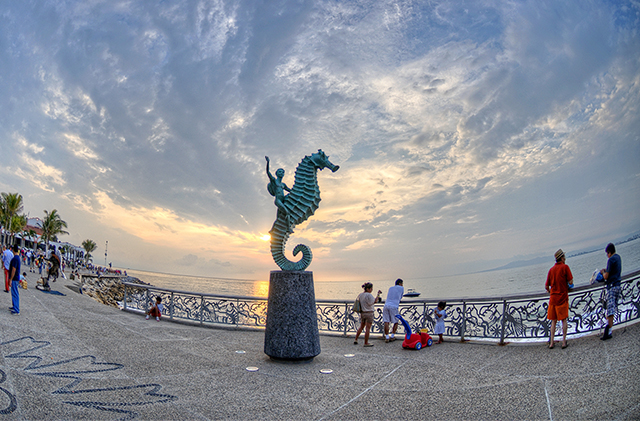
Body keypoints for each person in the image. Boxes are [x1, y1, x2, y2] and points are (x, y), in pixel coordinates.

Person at [545, 249, 574, 349]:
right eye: (564, 257)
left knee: (553, 322)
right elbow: (570, 282)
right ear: (562, 258)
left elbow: (546, 286)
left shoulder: (551, 270)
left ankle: (552, 343)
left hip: (553, 299)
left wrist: (550, 291)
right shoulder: (565, 267)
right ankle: (563, 342)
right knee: (563, 321)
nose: (565, 259)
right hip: (562, 298)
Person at [600, 243, 622, 340]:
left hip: (612, 287)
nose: (607, 255)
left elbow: (606, 276)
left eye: (607, 253)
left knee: (610, 310)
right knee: (612, 308)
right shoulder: (618, 257)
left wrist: (603, 272)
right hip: (618, 285)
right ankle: (609, 330)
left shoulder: (611, 260)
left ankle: (608, 331)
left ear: (609, 252)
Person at [265, 156, 292, 229]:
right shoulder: (274, 181)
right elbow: (268, 172)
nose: (281, 173)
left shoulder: (283, 184)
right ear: (276, 173)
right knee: (287, 212)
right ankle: (288, 228)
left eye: (283, 172)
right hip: (278, 201)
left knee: (278, 218)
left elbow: (290, 190)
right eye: (280, 171)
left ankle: (273, 230)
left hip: (283, 201)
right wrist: (268, 162)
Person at [354, 282, 381, 347]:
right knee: (368, 328)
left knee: (361, 327)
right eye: (371, 288)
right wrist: (378, 295)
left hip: (363, 312)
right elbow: (374, 301)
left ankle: (356, 339)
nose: (371, 290)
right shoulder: (369, 295)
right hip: (369, 313)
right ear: (368, 289)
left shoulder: (361, 295)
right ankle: (366, 342)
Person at [8, 245, 21, 315]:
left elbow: (13, 269)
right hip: (16, 278)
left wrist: (10, 279)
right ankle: (14, 306)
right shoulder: (17, 258)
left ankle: (16, 309)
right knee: (13, 293)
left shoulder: (15, 258)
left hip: (14, 278)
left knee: (15, 293)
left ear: (13, 250)